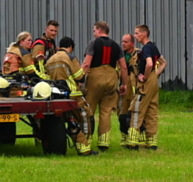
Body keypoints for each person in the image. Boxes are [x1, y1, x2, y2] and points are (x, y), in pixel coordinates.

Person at [45, 37, 96, 156]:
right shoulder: (70, 57)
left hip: (56, 97)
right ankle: (85, 147)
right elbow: (79, 77)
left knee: (70, 121)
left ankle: (83, 149)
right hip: (73, 96)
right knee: (86, 119)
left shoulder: (50, 60)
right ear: (70, 47)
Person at [81, 21, 120, 151]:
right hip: (111, 78)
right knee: (106, 112)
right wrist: (124, 83)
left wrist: (80, 79)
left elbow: (87, 63)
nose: (93, 33)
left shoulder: (94, 43)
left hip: (95, 79)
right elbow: (123, 67)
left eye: (94, 30)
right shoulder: (116, 45)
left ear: (98, 30)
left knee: (89, 110)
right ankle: (104, 142)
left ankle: (87, 139)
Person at [130, 24, 166, 150]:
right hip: (153, 81)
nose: (135, 36)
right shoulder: (154, 47)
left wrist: (145, 77)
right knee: (152, 110)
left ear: (144, 34)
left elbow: (149, 64)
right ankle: (152, 142)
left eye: (136, 33)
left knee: (137, 108)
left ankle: (133, 141)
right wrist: (154, 76)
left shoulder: (146, 48)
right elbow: (163, 63)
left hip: (146, 81)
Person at [118, 33, 140, 149]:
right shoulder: (120, 55)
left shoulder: (139, 54)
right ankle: (124, 137)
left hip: (136, 88)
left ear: (132, 43)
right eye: (122, 41)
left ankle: (137, 138)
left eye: (126, 42)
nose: (123, 44)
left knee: (135, 114)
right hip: (123, 89)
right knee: (122, 114)